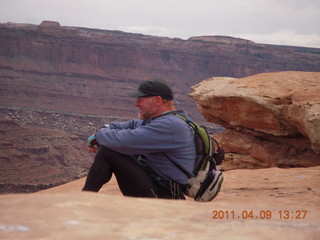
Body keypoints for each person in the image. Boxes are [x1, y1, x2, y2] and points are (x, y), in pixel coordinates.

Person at [82, 79, 196, 199]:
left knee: (108, 151)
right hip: (157, 184)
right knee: (111, 146)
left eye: (140, 100)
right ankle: (85, 197)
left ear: (157, 100)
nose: (136, 104)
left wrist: (98, 135)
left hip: (164, 195)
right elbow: (129, 125)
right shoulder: (165, 119)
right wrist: (103, 130)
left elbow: (123, 141)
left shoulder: (170, 125)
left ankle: (84, 199)